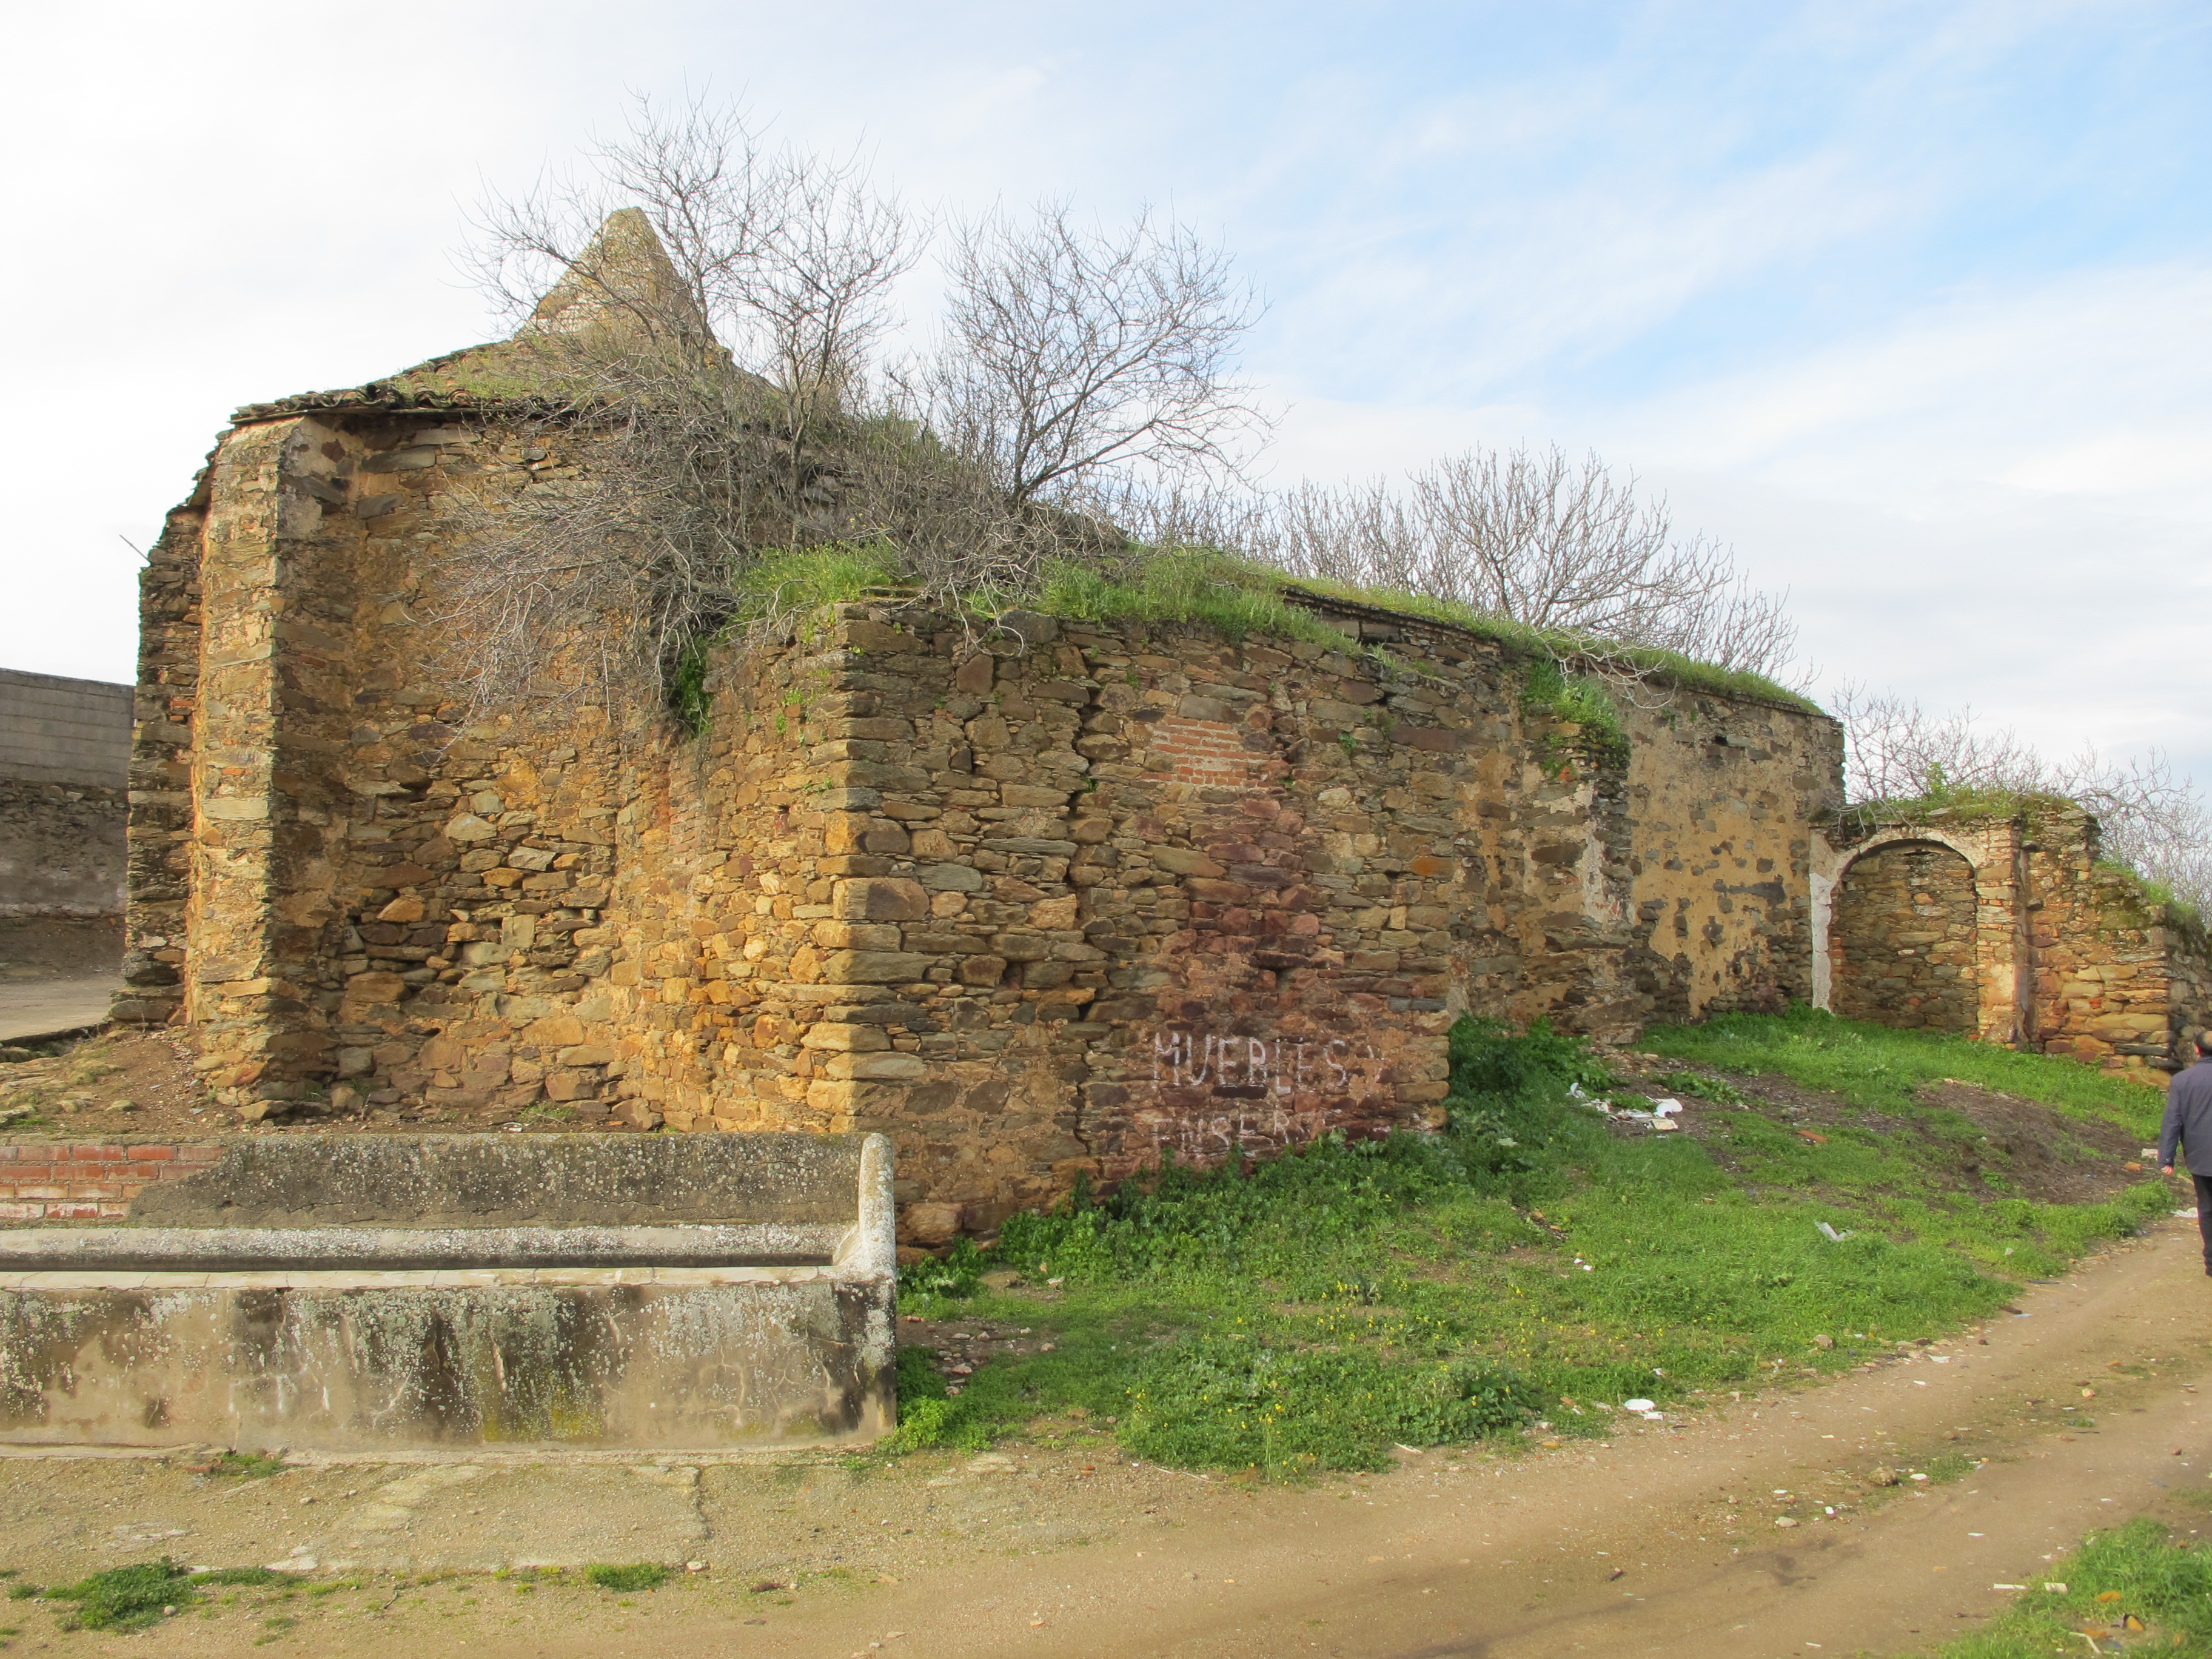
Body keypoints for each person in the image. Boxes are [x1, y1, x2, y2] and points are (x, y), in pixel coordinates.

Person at [2159, 1033, 2212, 1274]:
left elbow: (2173, 1121)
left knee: (2207, 1208)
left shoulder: (2183, 1080)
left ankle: (2211, 1262)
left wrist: (2166, 1157)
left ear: (2197, 1050)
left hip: (2201, 1156)